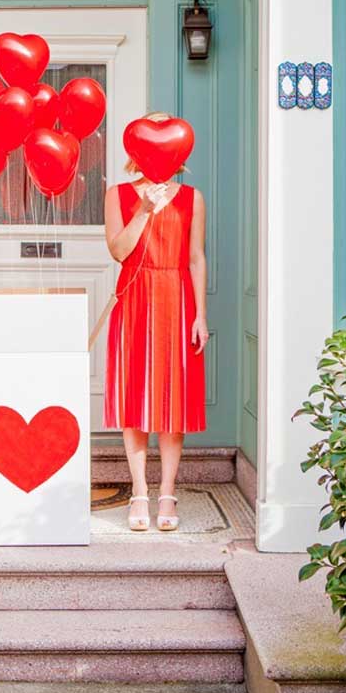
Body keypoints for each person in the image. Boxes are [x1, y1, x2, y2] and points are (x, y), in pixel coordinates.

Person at [103, 112, 208, 532]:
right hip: (134, 299)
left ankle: (168, 491)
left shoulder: (191, 198)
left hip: (177, 299)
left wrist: (201, 313)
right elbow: (118, 250)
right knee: (135, 398)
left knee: (172, 401)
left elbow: (196, 258)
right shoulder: (118, 195)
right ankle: (139, 493)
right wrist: (143, 211)